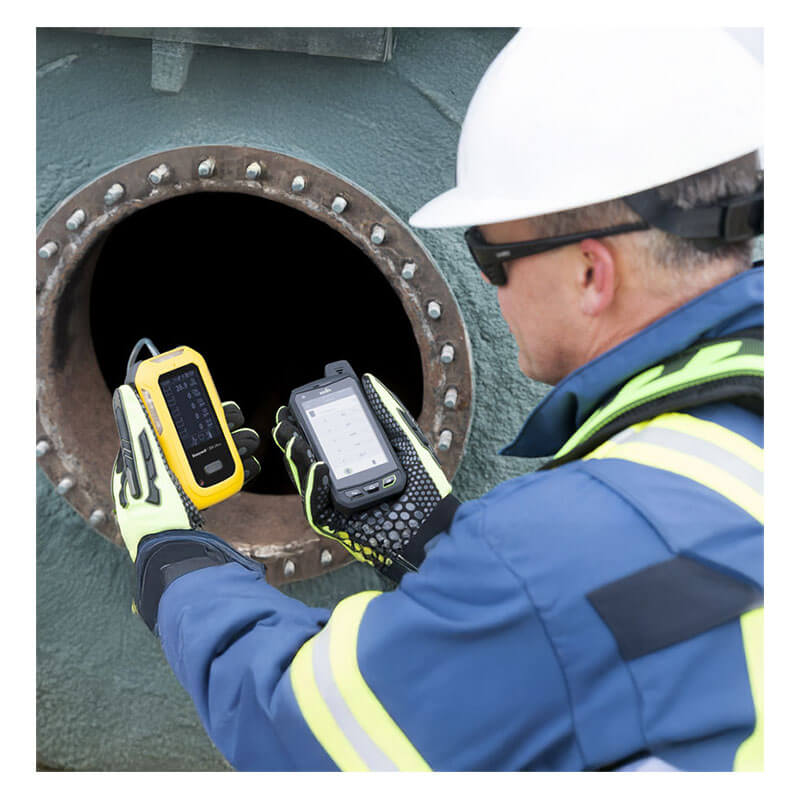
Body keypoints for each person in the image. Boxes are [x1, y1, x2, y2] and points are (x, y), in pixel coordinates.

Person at [110, 28, 763, 771]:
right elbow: (646, 624)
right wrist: (432, 540)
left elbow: (297, 730)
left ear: (592, 273)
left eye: (492, 255)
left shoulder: (553, 553)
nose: (487, 284)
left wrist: (172, 558)